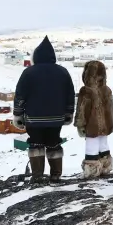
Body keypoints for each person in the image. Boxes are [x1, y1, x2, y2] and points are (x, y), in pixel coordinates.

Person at [13, 36, 75, 184]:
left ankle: (38, 176)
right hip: (56, 118)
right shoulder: (63, 72)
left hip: (33, 119)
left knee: (35, 145)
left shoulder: (28, 72)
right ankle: (55, 175)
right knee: (54, 144)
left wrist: (17, 114)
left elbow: (20, 96)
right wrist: (69, 113)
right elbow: (70, 95)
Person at [74, 60, 113, 179]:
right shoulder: (107, 89)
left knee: (91, 145)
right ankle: (105, 166)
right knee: (103, 143)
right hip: (106, 125)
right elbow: (111, 109)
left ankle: (92, 169)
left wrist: (80, 124)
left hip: (92, 124)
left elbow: (82, 110)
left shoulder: (86, 90)